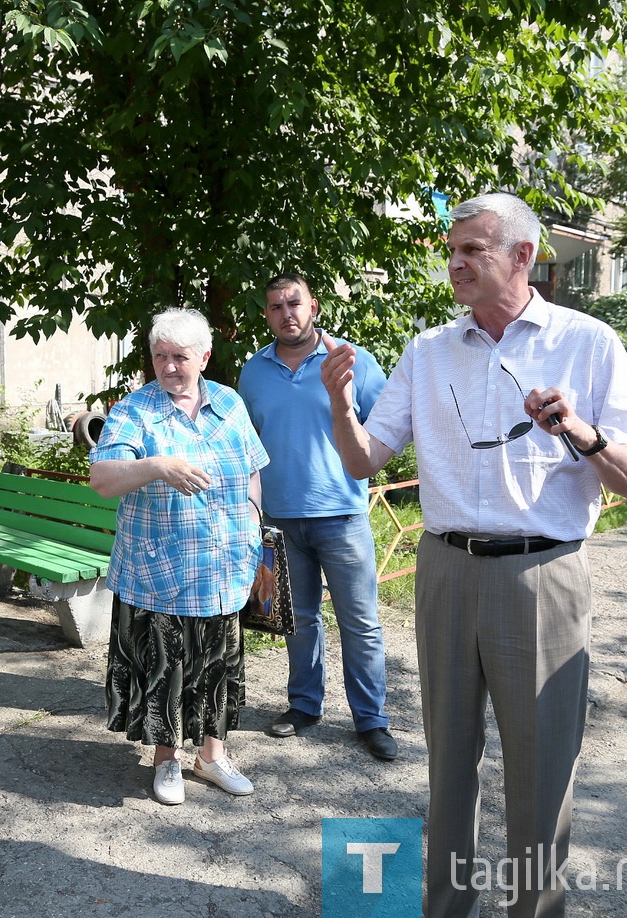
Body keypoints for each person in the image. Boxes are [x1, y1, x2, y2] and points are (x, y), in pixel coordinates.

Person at [320, 192, 627, 918]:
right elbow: (364, 461)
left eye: (473, 248)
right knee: (448, 762)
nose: (455, 263)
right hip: (443, 569)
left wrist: (577, 428)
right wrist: (340, 403)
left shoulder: (587, 342)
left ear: (524, 256)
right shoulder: (428, 349)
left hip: (542, 574)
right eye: (452, 250)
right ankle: (448, 909)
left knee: (541, 768)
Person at [89, 307, 268, 806]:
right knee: (164, 666)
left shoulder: (230, 405)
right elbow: (103, 479)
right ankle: (165, 761)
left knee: (217, 664)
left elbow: (253, 468)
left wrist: (253, 519)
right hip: (159, 571)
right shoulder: (134, 411)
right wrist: (155, 466)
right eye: (159, 356)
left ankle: (212, 757)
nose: (168, 366)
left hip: (224, 566)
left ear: (204, 358)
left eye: (180, 357)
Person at [238, 273, 397, 761]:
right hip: (280, 518)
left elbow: (390, 425)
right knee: (299, 619)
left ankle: (372, 720)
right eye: (276, 307)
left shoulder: (351, 360)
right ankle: (304, 706)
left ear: (315, 307)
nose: (287, 313)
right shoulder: (253, 372)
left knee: (361, 621)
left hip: (342, 513)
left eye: (295, 303)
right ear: (266, 316)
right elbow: (246, 445)